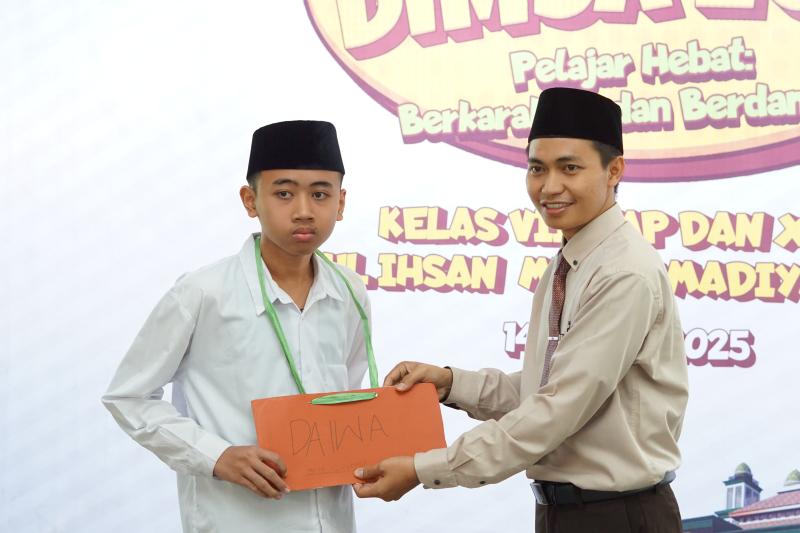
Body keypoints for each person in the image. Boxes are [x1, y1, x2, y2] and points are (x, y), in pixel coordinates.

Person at [352, 87, 689, 532]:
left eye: (570, 168)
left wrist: (424, 468)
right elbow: (543, 390)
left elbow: (556, 409)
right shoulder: (570, 262)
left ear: (614, 171)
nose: (549, 187)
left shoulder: (623, 272)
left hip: (618, 516)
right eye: (537, 168)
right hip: (566, 513)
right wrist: (449, 383)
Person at [103, 120, 373, 533]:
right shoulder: (202, 292)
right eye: (284, 193)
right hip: (237, 520)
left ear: (341, 203)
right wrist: (217, 456)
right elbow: (128, 396)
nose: (304, 210)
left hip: (332, 521)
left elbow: (345, 401)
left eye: (320, 194)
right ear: (250, 200)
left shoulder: (350, 292)